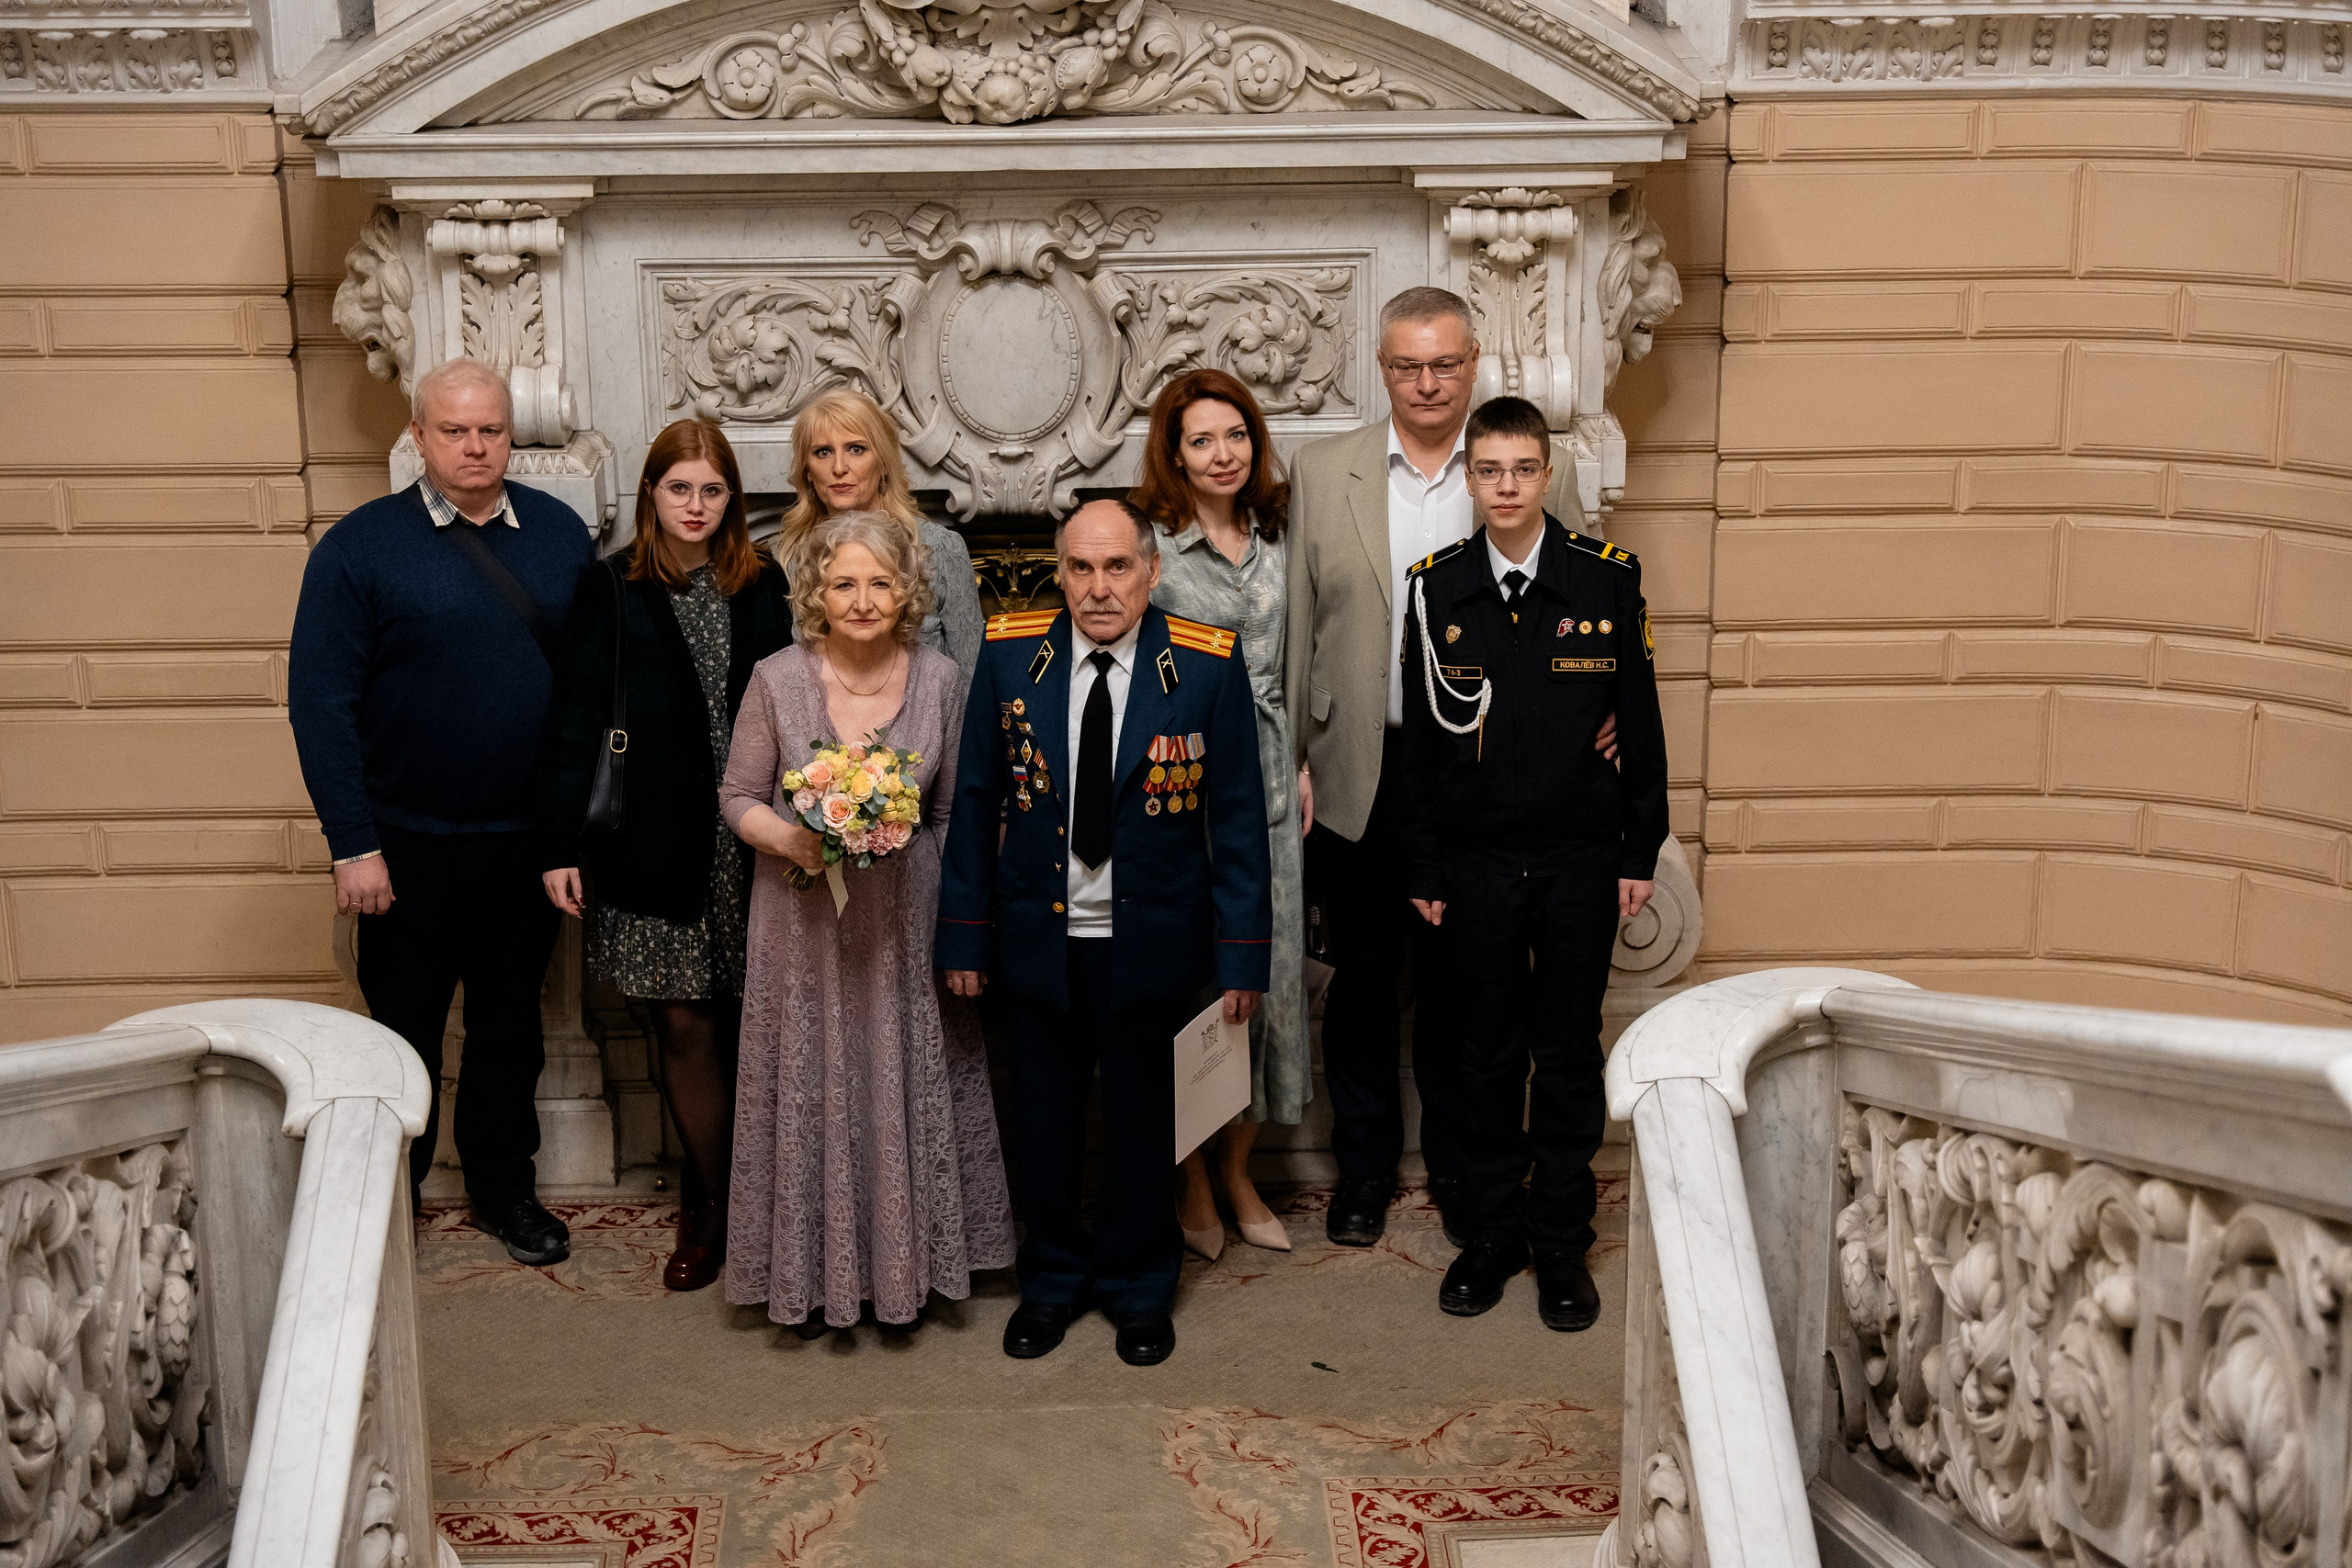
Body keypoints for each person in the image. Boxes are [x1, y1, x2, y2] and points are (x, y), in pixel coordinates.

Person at [1282, 287, 1613, 1250]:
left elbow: (1584, 605)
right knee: (1361, 986)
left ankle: (1469, 1169)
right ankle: (1366, 1171)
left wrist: (1606, 719)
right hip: (1358, 767)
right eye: (1405, 366)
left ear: (1474, 364)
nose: (1426, 383)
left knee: (1471, 988)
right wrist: (1296, 754)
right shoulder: (1323, 469)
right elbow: (1304, 622)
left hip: (1486, 777)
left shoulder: (1517, 464)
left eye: (1445, 364)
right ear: (1379, 369)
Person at [936, 499, 1271, 1368]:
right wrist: (965, 938)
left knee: (1139, 1127)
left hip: (1150, 941)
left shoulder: (1202, 666)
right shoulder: (1012, 654)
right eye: (1081, 568)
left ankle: (1138, 1285)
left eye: (1117, 567)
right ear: (1060, 572)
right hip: (1039, 939)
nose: (1098, 587)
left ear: (1152, 571)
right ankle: (1051, 1281)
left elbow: (1237, 822)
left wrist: (1242, 953)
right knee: (1041, 1125)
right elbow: (973, 804)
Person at [289, 356, 593, 1264]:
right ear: (418, 436)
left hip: (525, 847)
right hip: (404, 847)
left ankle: (505, 1191)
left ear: (511, 434)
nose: (474, 446)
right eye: (453, 430)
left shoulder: (559, 535)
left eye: (490, 430)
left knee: (509, 1028)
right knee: (402, 1032)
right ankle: (391, 1198)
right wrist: (354, 845)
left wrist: (566, 836)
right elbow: (321, 704)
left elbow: (585, 699)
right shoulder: (358, 548)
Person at [1399, 395, 1667, 1332]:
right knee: (1482, 1055)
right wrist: (1424, 866)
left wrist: (1640, 849)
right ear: (1467, 479)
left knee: (1563, 1055)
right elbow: (1423, 751)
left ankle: (1560, 1243)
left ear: (1546, 476)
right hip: (1471, 865)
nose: (1505, 487)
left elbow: (1640, 730)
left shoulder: (1604, 583)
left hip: (1577, 861)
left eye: (1521, 470)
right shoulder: (1435, 589)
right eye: (1488, 471)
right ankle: (1490, 1235)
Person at [719, 510, 1014, 1331]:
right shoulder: (776, 679)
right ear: (815, 590)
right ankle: (810, 1278)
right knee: (814, 1080)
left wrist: (964, 922)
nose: (861, 599)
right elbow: (737, 795)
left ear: (907, 590)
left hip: (906, 922)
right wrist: (791, 837)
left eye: (880, 583)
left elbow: (957, 812)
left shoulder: (944, 681)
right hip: (801, 919)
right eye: (843, 582)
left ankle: (909, 1271)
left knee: (901, 1074)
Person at [535, 419, 793, 1292]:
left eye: (712, 490)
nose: (695, 505)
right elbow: (574, 718)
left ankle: (743, 1195)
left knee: (754, 1021)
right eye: (679, 488)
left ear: (733, 501)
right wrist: (562, 842)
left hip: (758, 839)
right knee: (685, 1021)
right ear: (652, 493)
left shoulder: (763, 583)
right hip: (655, 839)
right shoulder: (611, 588)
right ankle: (714, 1209)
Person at [1132, 368, 1306, 1259]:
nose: (1221, 454)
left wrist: (1304, 760)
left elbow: (1303, 659)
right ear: (1173, 453)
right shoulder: (1152, 553)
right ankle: (1188, 1174)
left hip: (1274, 782)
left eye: (1233, 435)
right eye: (1200, 440)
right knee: (1194, 984)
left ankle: (1238, 1169)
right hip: (1184, 787)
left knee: (1264, 986)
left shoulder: (1281, 538)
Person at [779, 387, 984, 680]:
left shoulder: (939, 547)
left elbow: (972, 676)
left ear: (883, 461)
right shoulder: (789, 556)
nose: (839, 468)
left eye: (856, 449)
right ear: (808, 471)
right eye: (823, 452)